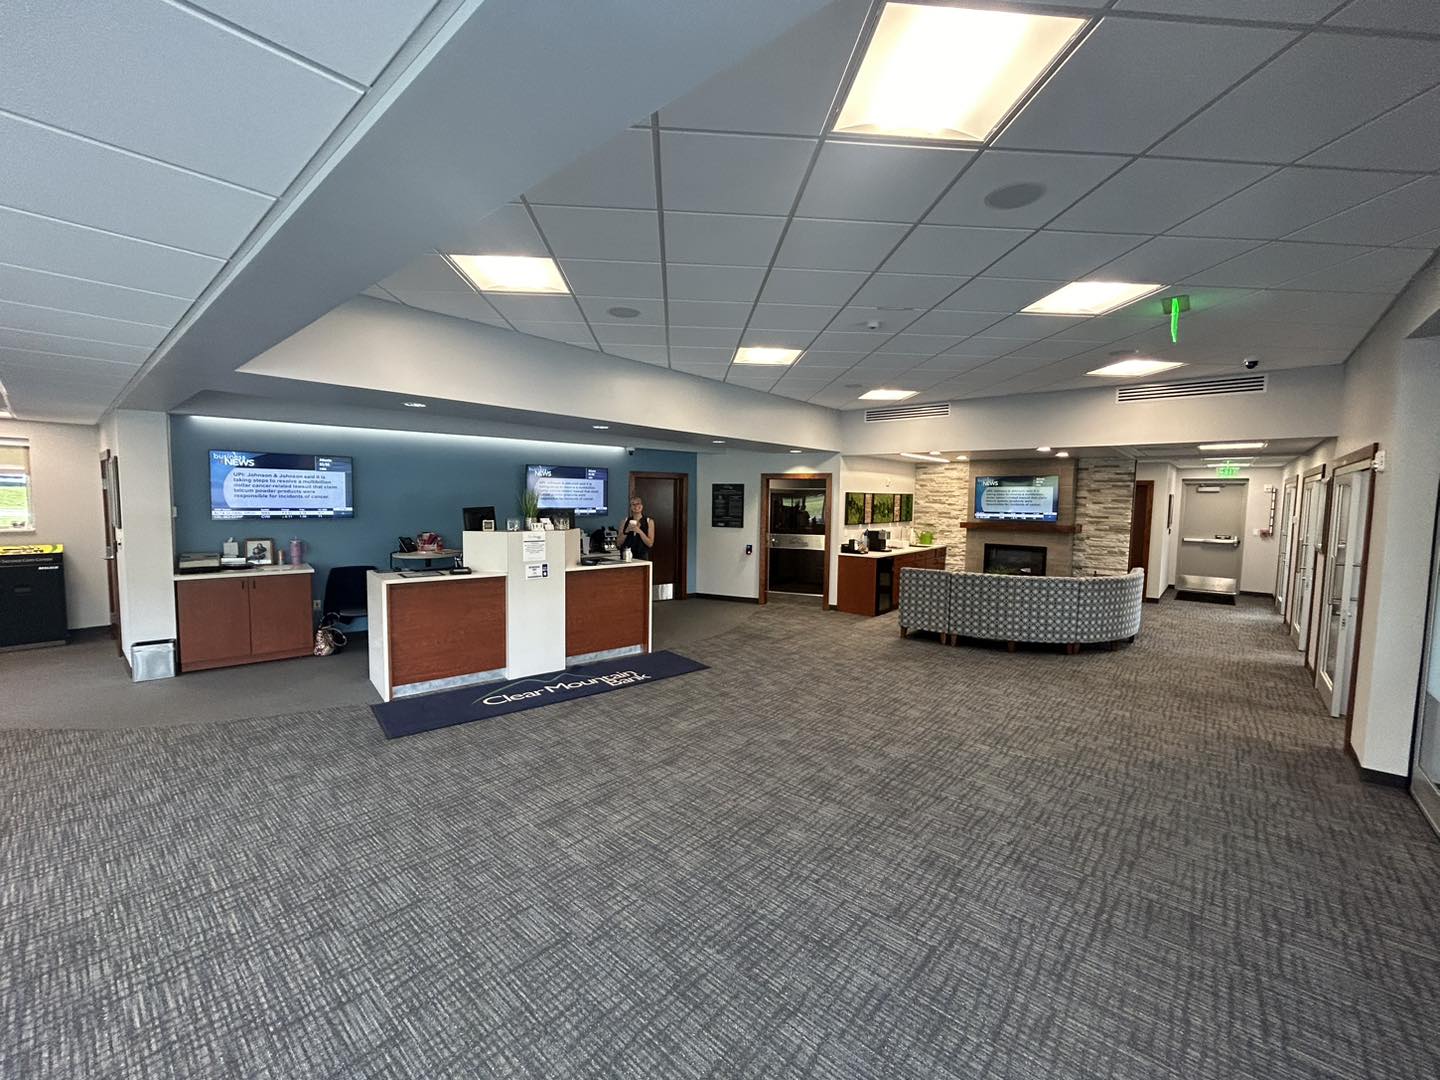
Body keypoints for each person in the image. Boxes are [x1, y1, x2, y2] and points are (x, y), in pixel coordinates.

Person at [619, 495, 655, 560]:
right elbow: (619, 543)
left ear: (642, 506)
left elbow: (650, 544)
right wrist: (627, 531)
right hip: (626, 556)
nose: (636, 506)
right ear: (630, 507)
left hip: (642, 556)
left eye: (638, 503)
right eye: (633, 504)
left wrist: (639, 531)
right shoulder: (624, 521)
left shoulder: (649, 521)